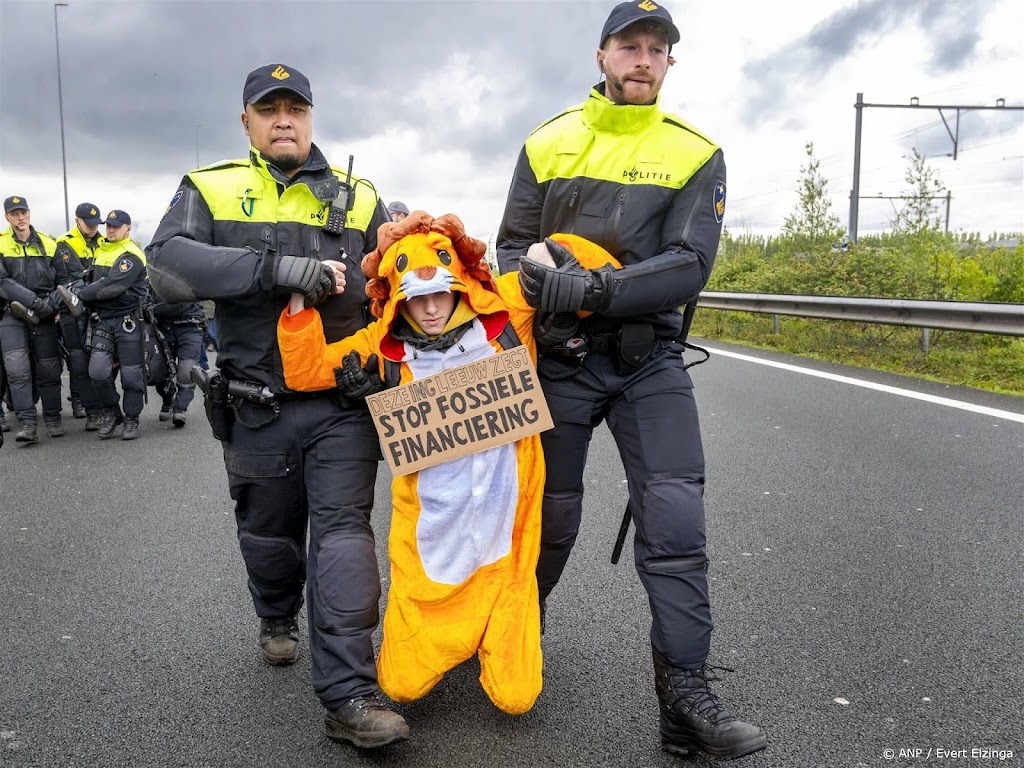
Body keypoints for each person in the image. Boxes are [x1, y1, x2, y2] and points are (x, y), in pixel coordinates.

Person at [495, 1, 767, 760]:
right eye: (629, 46)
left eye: (657, 49)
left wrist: (591, 289)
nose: (642, 59)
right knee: (543, 522)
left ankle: (684, 698)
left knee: (676, 525)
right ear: (602, 56)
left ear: (670, 64)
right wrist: (543, 286)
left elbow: (689, 266)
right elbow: (512, 249)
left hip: (650, 362)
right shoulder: (545, 142)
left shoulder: (695, 151)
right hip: (557, 362)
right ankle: (513, 641)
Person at [145, 63, 406, 748]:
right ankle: (275, 614)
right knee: (270, 543)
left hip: (341, 407)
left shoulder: (359, 197)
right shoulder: (211, 187)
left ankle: (349, 695)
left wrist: (380, 365)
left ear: (312, 117)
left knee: (345, 538)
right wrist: (271, 270)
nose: (283, 119)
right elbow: (166, 266)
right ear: (247, 122)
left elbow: (397, 292)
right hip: (255, 407)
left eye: (295, 107)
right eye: (269, 109)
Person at [278, 214, 619, 716]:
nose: (431, 308)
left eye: (440, 293)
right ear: (397, 297)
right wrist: (299, 305)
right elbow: (304, 371)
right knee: (399, 685)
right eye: (416, 298)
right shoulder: (381, 345)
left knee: (517, 697)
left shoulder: (504, 312)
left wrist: (556, 257)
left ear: (459, 281)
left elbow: (590, 267)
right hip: (433, 534)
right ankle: (449, 630)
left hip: (508, 536)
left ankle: (494, 632)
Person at [67, 210, 149, 440]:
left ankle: (132, 418)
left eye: (116, 226)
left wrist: (81, 295)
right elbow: (92, 279)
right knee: (98, 372)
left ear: (128, 228)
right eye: (109, 225)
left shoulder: (131, 254)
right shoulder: (102, 250)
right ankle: (113, 412)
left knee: (132, 377)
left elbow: (111, 286)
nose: (111, 230)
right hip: (102, 320)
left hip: (128, 321)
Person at [0, 195, 71, 443]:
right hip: (13, 313)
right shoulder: (0, 244)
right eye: (14, 213)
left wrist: (50, 306)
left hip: (45, 315)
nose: (20, 218)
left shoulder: (49, 244)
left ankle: (53, 418)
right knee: (17, 370)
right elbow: (2, 281)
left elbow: (64, 282)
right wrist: (35, 302)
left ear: (29, 214)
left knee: (49, 369)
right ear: (7, 217)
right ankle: (28, 424)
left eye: (23, 213)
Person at [54, 202, 106, 430]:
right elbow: (73, 278)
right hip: (72, 310)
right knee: (78, 359)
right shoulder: (65, 243)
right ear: (77, 220)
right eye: (89, 224)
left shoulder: (104, 242)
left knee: (99, 359)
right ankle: (85, 405)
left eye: (96, 224)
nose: (94, 228)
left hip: (98, 308)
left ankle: (99, 404)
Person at [144, 286, 205, 427]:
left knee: (186, 369)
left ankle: (180, 409)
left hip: (190, 325)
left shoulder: (189, 269)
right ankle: (167, 399)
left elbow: (184, 301)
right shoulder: (152, 268)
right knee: (157, 369)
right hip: (161, 327)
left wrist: (152, 310)